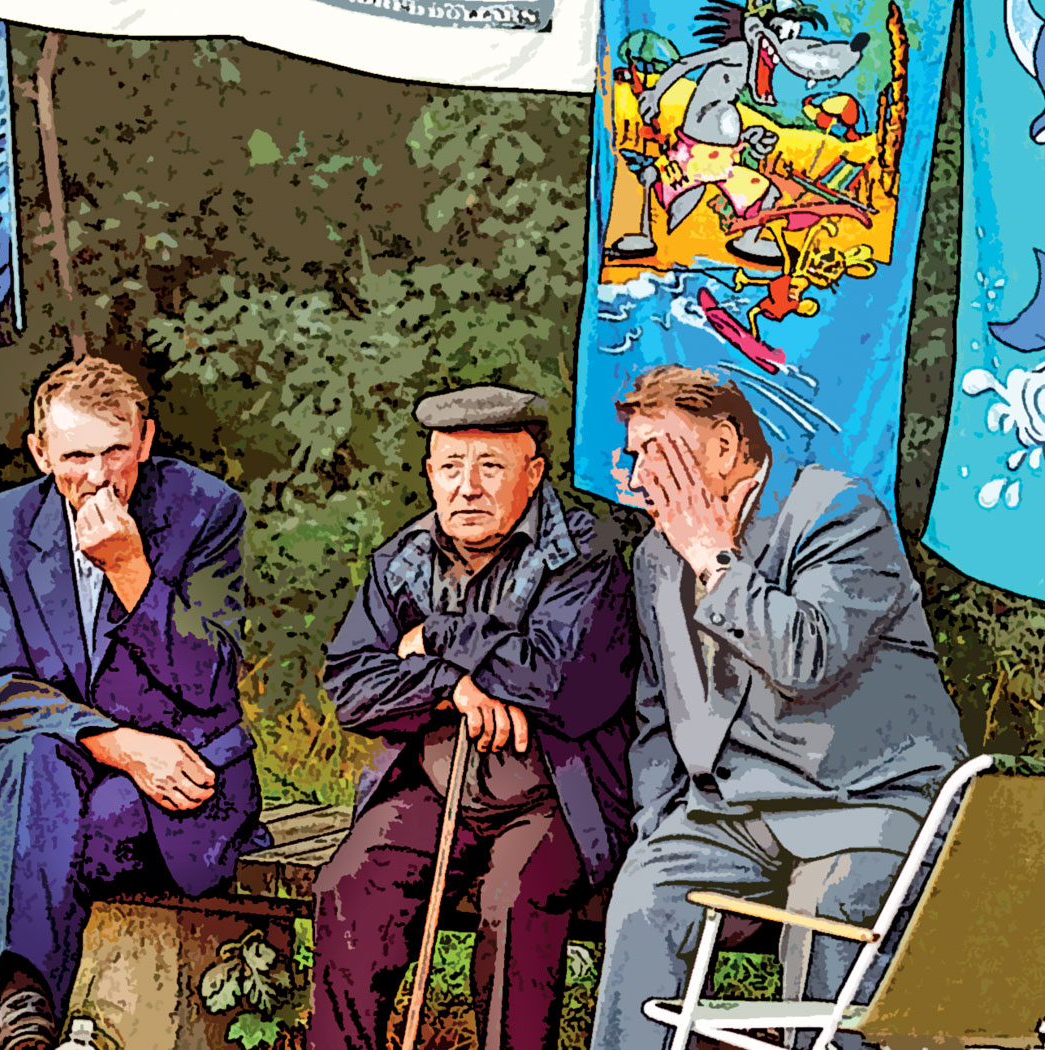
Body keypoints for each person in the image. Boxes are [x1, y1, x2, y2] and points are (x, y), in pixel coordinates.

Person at [590, 365, 967, 1050]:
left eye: (659, 451)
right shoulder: (655, 557)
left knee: (832, 911)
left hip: (865, 799)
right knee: (644, 899)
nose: (641, 474)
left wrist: (713, 557)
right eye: (635, 453)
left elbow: (806, 658)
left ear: (725, 446)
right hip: (729, 813)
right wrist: (658, 820)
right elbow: (656, 711)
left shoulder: (837, 511)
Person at [311, 385, 639, 1050]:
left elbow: (560, 684)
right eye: (451, 467)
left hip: (556, 796)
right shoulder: (402, 559)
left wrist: (436, 636)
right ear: (430, 473)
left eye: (491, 466)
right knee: (349, 886)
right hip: (437, 789)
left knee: (513, 901)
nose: (468, 487)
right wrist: (450, 686)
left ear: (533, 473)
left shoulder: (584, 555)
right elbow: (350, 686)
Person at [0, 358, 268, 1050]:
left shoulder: (206, 510)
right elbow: (1, 686)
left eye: (115, 452)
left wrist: (130, 569)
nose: (99, 477)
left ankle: (16, 1013)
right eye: (76, 456)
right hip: (68, 770)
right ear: (40, 452)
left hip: (181, 781)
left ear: (146, 440)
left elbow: (210, 681)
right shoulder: (2, 524)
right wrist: (121, 746)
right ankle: (28, 1011)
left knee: (33, 839)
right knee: (27, 763)